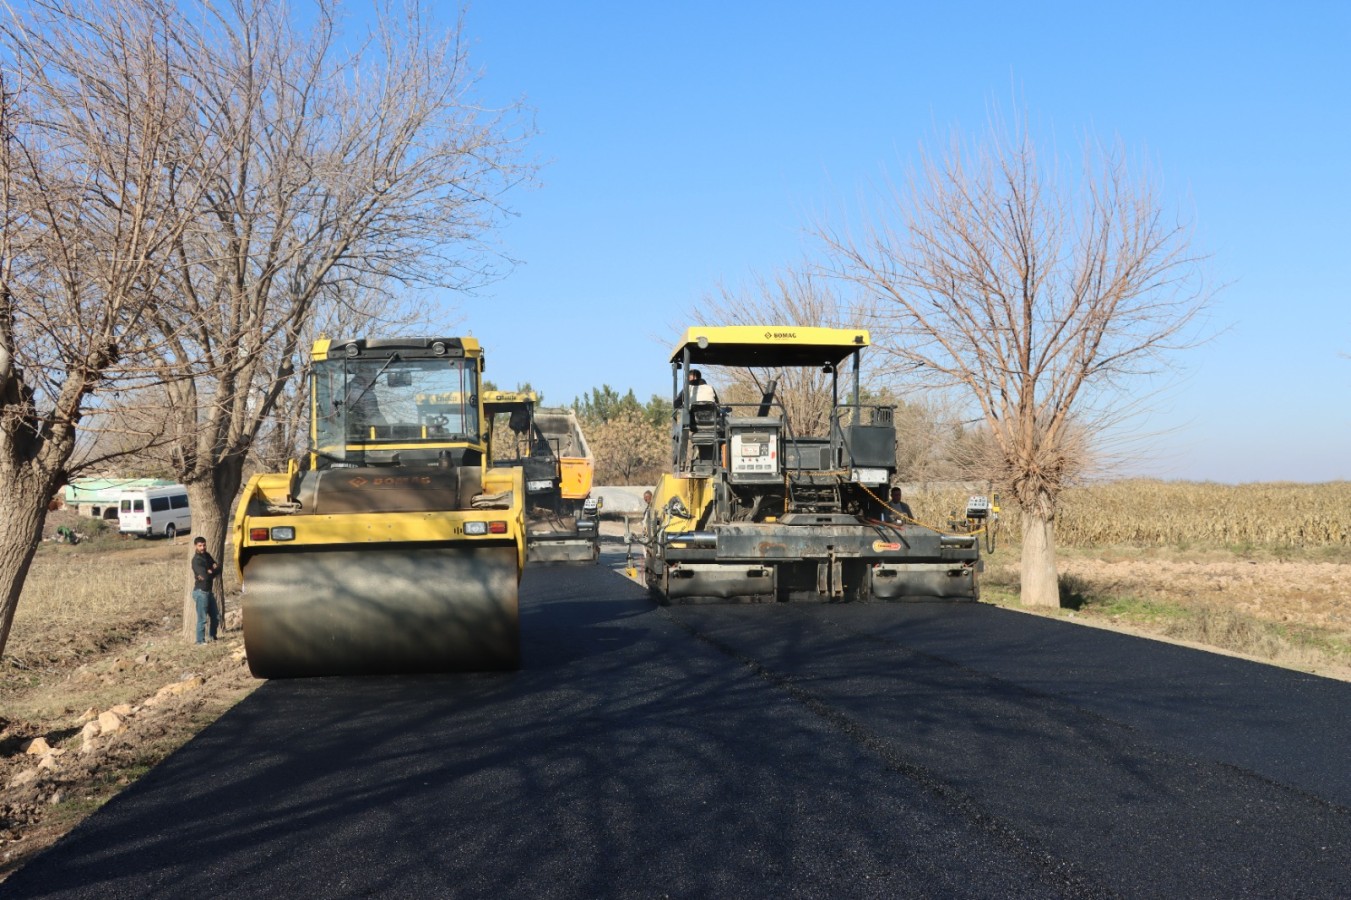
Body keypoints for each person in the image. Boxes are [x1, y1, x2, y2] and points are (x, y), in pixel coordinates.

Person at [191, 536, 220, 644]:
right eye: (200, 545)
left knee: (216, 616)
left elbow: (218, 568)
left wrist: (210, 571)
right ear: (195, 546)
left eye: (204, 545)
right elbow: (205, 576)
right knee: (202, 619)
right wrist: (210, 572)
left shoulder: (207, 555)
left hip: (209, 592)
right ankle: (200, 642)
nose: (202, 547)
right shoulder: (196, 560)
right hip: (200, 592)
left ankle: (213, 638)